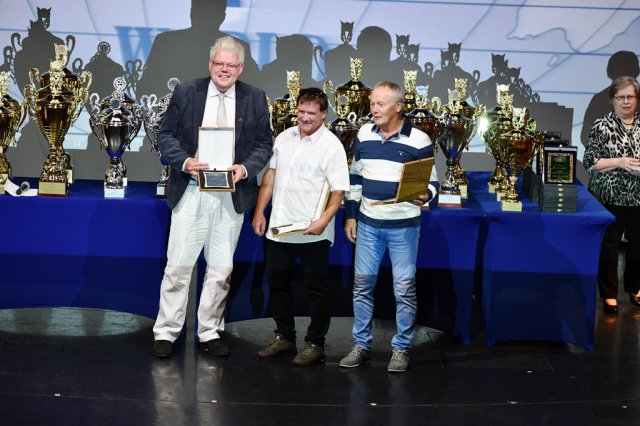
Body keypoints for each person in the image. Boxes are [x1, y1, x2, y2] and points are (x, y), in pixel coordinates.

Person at [152, 36, 273, 358]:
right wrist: (185, 161)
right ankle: (166, 332)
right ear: (210, 64)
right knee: (178, 267)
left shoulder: (255, 97)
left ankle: (209, 331)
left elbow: (265, 144)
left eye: (231, 65)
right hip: (191, 190)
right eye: (219, 63)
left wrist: (245, 169)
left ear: (240, 68)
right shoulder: (186, 91)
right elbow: (166, 135)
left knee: (220, 270)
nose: (224, 70)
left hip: (231, 194)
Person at [339, 81, 438, 373]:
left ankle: (401, 348)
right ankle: (361, 345)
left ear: (398, 107)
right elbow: (355, 178)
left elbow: (432, 181)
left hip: (404, 227)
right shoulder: (364, 133)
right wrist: (351, 216)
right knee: (362, 287)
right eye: (372, 103)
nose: (374, 109)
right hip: (368, 225)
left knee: (404, 289)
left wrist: (425, 194)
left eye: (380, 104)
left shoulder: (419, 139)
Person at [252, 87, 349, 366]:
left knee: (317, 290)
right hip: (279, 229)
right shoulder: (284, 137)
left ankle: (316, 344)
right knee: (278, 286)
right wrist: (259, 213)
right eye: (301, 111)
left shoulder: (332, 145)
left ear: (324, 114)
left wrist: (324, 221)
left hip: (313, 232)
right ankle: (284, 338)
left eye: (311, 113)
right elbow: (270, 177)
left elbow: (338, 191)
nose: (305, 117)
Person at [583, 76, 640, 315]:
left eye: (630, 97)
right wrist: (619, 162)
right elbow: (590, 162)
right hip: (608, 196)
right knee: (610, 247)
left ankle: (635, 288)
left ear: (637, 99)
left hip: (637, 197)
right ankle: (608, 295)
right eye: (621, 97)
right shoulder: (602, 125)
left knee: (637, 246)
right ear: (612, 100)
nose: (626, 101)